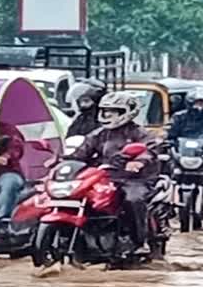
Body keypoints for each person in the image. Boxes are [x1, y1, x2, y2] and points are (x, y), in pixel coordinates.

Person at [67, 91, 159, 254]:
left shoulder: (140, 133)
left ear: (126, 112)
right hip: (104, 179)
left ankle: (139, 241)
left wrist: (138, 161)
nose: (108, 114)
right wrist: (63, 161)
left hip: (134, 180)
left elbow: (150, 150)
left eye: (114, 111)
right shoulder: (98, 134)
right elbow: (81, 152)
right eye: (105, 110)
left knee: (133, 199)